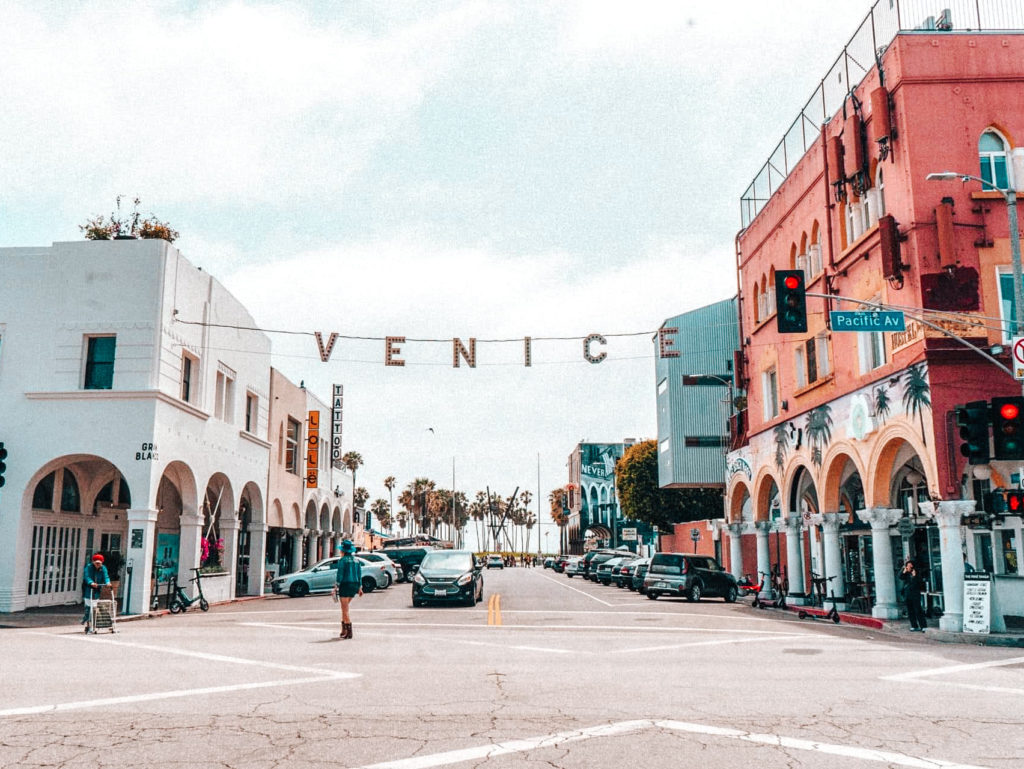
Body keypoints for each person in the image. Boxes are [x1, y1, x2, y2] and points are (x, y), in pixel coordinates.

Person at [331, 540, 362, 639]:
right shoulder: (357, 561)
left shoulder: (342, 560)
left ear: (343, 550)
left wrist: (336, 586)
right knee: (345, 608)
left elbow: (340, 574)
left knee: (345, 609)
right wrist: (360, 587)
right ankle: (344, 630)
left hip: (345, 584)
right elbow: (359, 575)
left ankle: (348, 631)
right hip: (354, 585)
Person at [81, 553, 110, 632]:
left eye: (99, 563)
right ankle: (88, 623)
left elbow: (106, 576)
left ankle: (93, 623)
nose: (98, 565)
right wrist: (91, 582)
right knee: (88, 607)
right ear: (93, 562)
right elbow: (87, 576)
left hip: (97, 588)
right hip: (88, 588)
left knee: (94, 606)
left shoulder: (103, 568)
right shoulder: (89, 567)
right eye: (96, 563)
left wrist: (107, 582)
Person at [900, 559, 927, 632]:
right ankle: (914, 625)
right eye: (908, 566)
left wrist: (914, 576)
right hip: (907, 594)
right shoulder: (906, 574)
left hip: (915, 594)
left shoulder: (916, 574)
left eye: (910, 566)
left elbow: (919, 583)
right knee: (910, 611)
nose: (909, 568)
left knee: (918, 610)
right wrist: (904, 570)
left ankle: (923, 625)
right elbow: (900, 577)